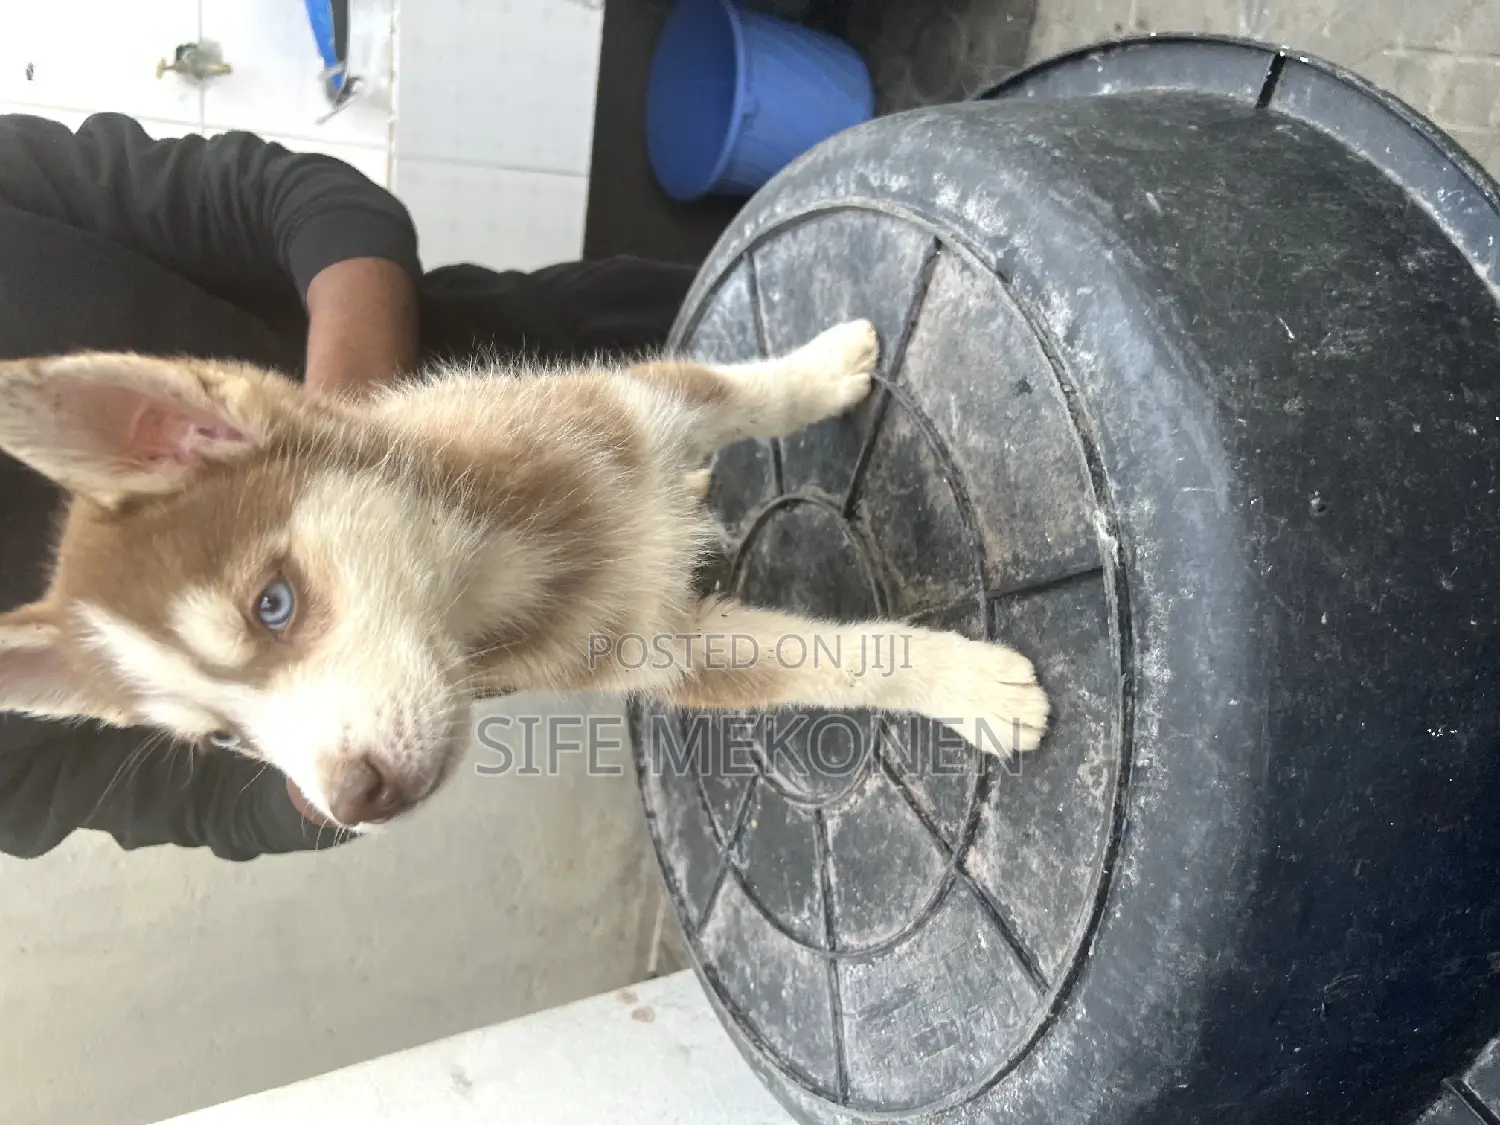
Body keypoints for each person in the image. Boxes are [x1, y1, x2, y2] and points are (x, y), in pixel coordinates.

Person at [0, 110, 697, 861]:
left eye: (275, 605)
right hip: (598, 618)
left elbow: (303, 200)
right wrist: (307, 762)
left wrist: (354, 449)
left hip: (573, 362)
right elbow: (222, 809)